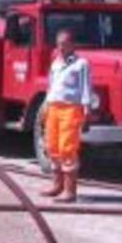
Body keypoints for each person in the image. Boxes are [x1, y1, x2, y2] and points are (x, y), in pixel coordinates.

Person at [40, 29, 91, 203]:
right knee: (52, 147)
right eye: (58, 44)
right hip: (53, 108)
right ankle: (57, 186)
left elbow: (85, 88)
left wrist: (87, 110)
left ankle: (70, 191)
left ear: (72, 45)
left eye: (64, 44)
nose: (61, 48)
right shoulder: (55, 63)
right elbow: (51, 87)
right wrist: (45, 107)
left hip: (70, 109)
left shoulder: (81, 64)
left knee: (67, 148)